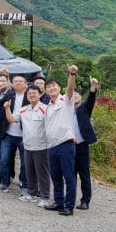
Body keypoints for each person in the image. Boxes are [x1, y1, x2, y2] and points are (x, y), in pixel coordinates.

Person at [43, 65, 79, 216]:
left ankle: (69, 206)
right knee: (56, 176)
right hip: (52, 146)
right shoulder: (47, 107)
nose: (51, 88)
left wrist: (71, 74)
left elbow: (70, 89)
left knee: (69, 177)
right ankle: (59, 202)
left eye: (54, 86)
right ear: (45, 91)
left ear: (59, 88)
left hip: (65, 144)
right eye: (48, 87)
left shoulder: (65, 101)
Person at [0, 75, 29, 193]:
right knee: (4, 159)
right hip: (8, 133)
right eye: (15, 81)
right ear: (12, 84)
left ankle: (24, 185)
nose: (18, 83)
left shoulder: (30, 96)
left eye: (21, 81)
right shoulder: (9, 95)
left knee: (25, 163)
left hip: (24, 135)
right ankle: (4, 183)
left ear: (26, 84)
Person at [19, 85, 51, 207]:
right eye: (29, 93)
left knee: (42, 173)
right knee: (29, 172)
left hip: (41, 147)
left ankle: (45, 197)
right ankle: (31, 194)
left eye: (34, 93)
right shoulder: (23, 109)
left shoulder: (45, 109)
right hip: (27, 146)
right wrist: (6, 108)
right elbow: (12, 119)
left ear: (40, 95)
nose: (32, 95)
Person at [73, 77, 99, 210]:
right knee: (70, 174)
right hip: (68, 146)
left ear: (80, 97)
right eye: (72, 95)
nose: (74, 97)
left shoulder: (84, 108)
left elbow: (91, 100)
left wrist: (93, 87)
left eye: (77, 95)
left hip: (82, 146)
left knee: (84, 174)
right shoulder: (65, 109)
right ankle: (70, 199)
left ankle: (85, 201)